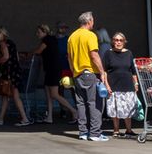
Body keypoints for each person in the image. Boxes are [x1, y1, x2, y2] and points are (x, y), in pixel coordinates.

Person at [68, 10, 109, 142]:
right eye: (93, 20)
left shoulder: (72, 37)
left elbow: (69, 57)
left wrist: (74, 71)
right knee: (95, 102)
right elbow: (94, 55)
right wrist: (102, 72)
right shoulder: (90, 35)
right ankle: (95, 133)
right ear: (89, 21)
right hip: (89, 73)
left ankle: (83, 132)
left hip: (77, 74)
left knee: (80, 103)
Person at [31, 24, 78, 124]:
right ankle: (49, 117)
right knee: (48, 94)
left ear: (44, 31)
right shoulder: (51, 39)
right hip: (49, 70)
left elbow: (39, 51)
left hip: (53, 70)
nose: (37, 34)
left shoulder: (48, 39)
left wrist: (29, 53)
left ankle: (74, 111)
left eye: (39, 32)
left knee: (55, 94)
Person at [0, 26, 31, 127]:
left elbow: (6, 57)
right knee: (7, 96)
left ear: (2, 34)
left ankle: (24, 118)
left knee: (10, 96)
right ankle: (1, 118)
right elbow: (16, 57)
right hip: (14, 72)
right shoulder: (11, 42)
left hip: (9, 74)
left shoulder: (3, 44)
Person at [102, 32, 138, 139]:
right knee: (115, 109)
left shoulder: (129, 53)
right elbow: (104, 71)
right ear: (113, 42)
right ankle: (116, 130)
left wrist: (135, 83)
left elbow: (133, 71)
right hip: (113, 85)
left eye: (120, 40)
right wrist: (106, 85)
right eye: (116, 40)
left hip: (127, 85)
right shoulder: (108, 53)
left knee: (128, 109)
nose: (118, 42)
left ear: (124, 42)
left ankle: (129, 130)